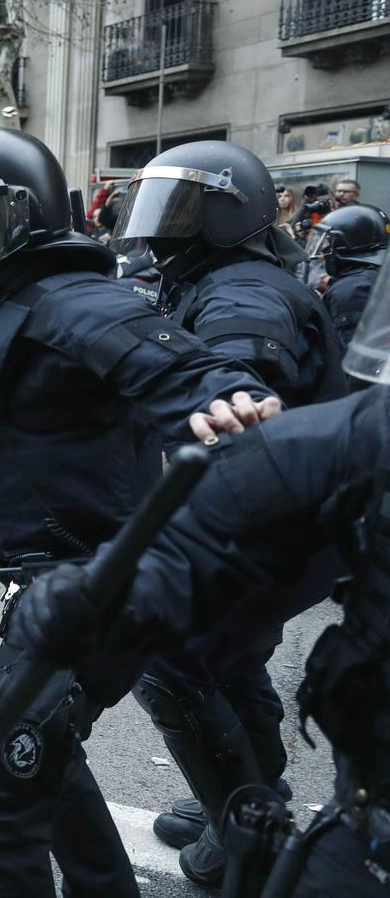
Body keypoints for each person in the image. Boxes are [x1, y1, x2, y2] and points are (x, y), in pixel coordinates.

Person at [0, 126, 280, 898]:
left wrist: (222, 402)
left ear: (19, 219)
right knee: (43, 765)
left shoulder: (72, 299)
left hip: (102, 590)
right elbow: (24, 463)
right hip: (58, 588)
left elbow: (176, 365)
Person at [10, 264, 390, 894]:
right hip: (371, 822)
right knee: (208, 660)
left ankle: (242, 808)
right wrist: (103, 597)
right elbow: (216, 522)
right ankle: (245, 807)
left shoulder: (246, 289)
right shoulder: (365, 434)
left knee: (199, 668)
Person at [110, 140, 347, 884]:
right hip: (294, 519)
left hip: (274, 521)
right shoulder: (221, 277)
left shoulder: (244, 292)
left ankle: (245, 837)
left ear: (226, 212)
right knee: (232, 657)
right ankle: (255, 793)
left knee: (170, 661)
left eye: (180, 208)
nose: (160, 227)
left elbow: (239, 386)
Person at [311, 202, 389, 346]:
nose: (324, 248)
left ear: (349, 241)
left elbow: (346, 351)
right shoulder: (378, 273)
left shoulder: (353, 289)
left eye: (329, 241)